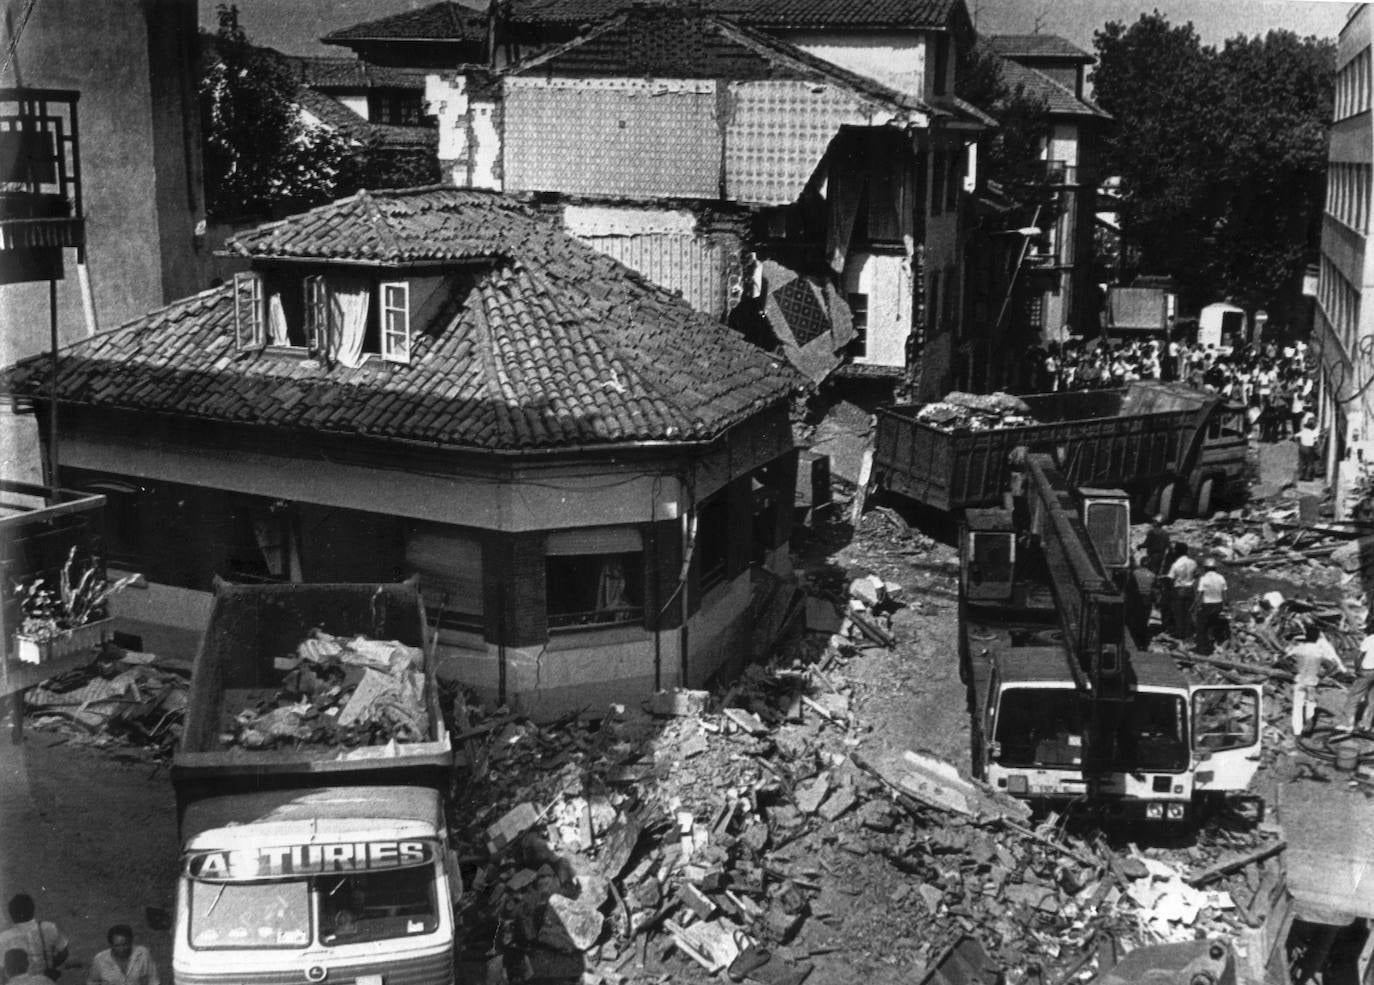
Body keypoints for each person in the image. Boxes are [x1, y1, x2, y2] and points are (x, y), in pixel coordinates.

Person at [1289, 625, 1349, 736]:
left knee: (1297, 705)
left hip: (1299, 679)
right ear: (1317, 638)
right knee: (1311, 703)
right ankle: (1309, 723)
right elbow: (1333, 664)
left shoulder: (1299, 648)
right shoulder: (1319, 651)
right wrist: (1325, 674)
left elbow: (1285, 655)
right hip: (1312, 681)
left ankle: (1297, 730)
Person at [0, 895, 67, 980]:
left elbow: (2, 970)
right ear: (32, 910)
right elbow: (64, 952)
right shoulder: (48, 928)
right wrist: (50, 965)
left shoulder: (4, 938)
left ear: (11, 914)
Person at [87, 926, 159, 985]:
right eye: (117, 946)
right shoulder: (100, 959)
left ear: (131, 942)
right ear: (111, 945)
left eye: (125, 944)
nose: (122, 949)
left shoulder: (142, 954)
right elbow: (93, 981)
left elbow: (153, 979)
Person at [1193, 556, 1228, 655]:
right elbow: (1225, 594)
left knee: (1201, 628)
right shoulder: (1221, 578)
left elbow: (1199, 594)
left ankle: (1201, 649)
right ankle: (1212, 646)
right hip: (1218, 605)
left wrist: (1195, 606)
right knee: (1213, 626)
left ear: (1205, 568)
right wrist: (1225, 606)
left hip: (1207, 605)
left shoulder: (1203, 579)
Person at [1166, 543, 1198, 640]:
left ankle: (1180, 635)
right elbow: (1196, 575)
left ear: (1177, 551)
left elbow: (1170, 578)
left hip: (1179, 590)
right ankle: (1188, 635)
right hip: (1190, 590)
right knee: (1188, 613)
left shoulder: (1175, 564)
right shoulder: (1193, 562)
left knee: (1178, 614)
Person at [1345, 631, 1374, 733]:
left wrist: (1357, 669)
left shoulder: (1370, 638)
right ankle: (1366, 725)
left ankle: (1349, 725)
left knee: (1353, 697)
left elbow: (1359, 655)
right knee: (1372, 700)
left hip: (1367, 671)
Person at [1295, 415, 1320, 481]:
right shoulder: (1313, 433)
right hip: (1309, 448)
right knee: (1310, 463)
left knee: (1302, 462)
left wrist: (1298, 443)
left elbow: (1295, 436)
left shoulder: (1303, 430)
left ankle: (1301, 475)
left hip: (1302, 447)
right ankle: (1307, 476)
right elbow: (1315, 441)